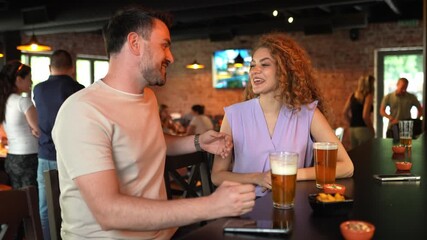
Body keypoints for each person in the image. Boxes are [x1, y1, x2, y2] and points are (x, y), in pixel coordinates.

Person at [52, 6, 255, 239]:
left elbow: (149, 142)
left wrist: (198, 141)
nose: (171, 57)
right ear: (135, 43)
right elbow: (109, 212)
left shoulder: (147, 97)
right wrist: (212, 205)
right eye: (165, 45)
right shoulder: (83, 110)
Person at [211, 33, 354, 196]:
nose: (254, 71)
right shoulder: (234, 115)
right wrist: (257, 178)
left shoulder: (308, 113)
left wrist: (287, 174)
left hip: (292, 206)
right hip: (243, 209)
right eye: (252, 65)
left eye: (264, 65)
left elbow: (347, 167)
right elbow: (217, 176)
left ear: (284, 71)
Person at [33, 49, 85, 240]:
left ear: (50, 67)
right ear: (72, 68)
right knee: (74, 207)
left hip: (45, 154)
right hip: (71, 158)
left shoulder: (38, 89)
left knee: (45, 208)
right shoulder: (80, 89)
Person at [0, 60, 39, 189]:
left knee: (18, 197)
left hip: (11, 157)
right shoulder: (23, 101)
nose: (31, 82)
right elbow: (38, 130)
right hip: (28, 155)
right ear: (18, 79)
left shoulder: (4, 101)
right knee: (31, 197)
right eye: (29, 78)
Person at [343, 75, 375, 148]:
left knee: (356, 156)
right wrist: (371, 128)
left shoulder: (353, 95)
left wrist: (352, 122)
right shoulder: (368, 96)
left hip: (352, 130)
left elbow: (344, 112)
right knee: (366, 154)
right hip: (363, 130)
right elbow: (365, 116)